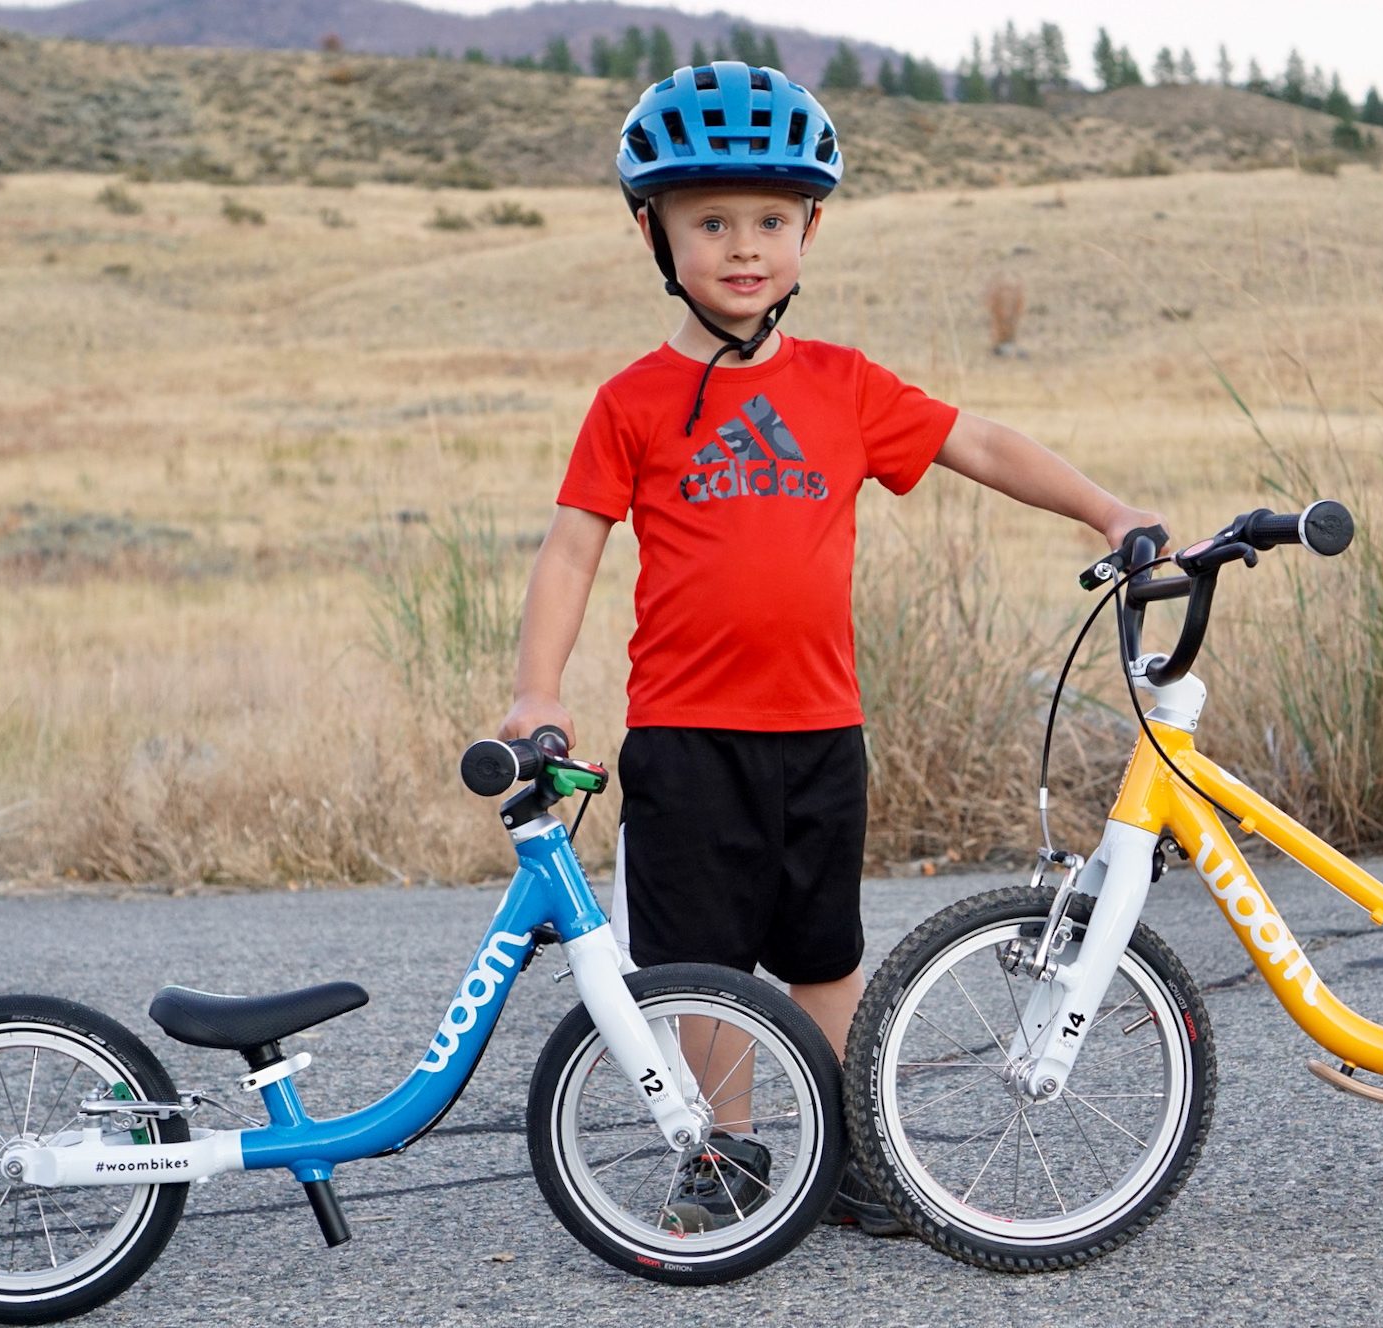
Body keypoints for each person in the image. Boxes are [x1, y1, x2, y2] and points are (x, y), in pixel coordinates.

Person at [496, 61, 1161, 1236]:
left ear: (809, 230)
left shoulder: (841, 386)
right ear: (653, 233)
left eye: (770, 220)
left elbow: (978, 443)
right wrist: (535, 692)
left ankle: (854, 1151)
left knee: (823, 953)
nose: (743, 247)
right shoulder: (631, 402)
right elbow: (570, 552)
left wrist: (1108, 513)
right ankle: (728, 1152)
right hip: (686, 736)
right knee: (706, 966)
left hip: (818, 730)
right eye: (711, 222)